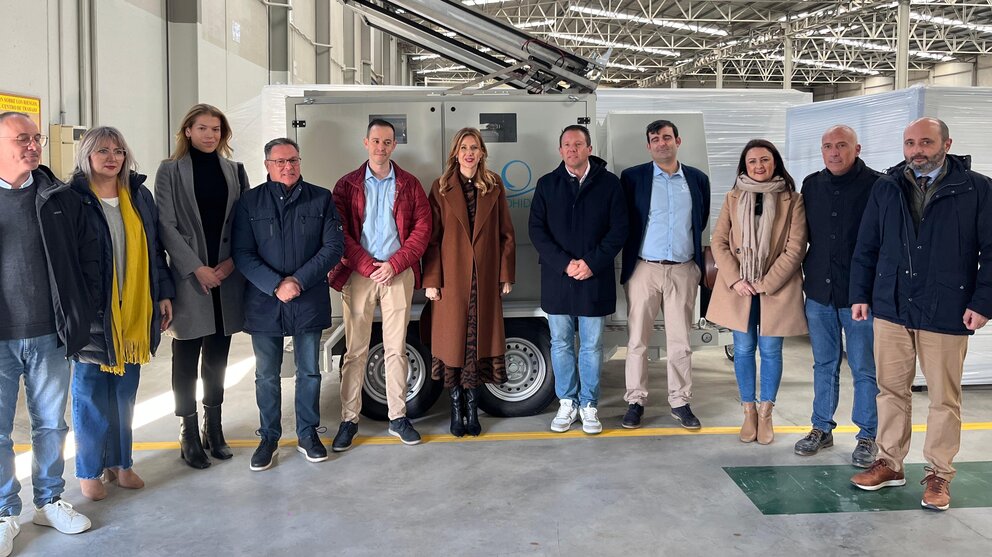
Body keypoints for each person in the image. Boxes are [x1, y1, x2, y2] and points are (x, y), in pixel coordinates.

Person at [849, 117, 992, 511]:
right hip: (892, 305)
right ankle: (890, 463)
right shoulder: (886, 187)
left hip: (946, 308)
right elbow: (867, 245)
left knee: (944, 397)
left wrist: (982, 302)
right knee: (891, 390)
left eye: (926, 142)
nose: (917, 150)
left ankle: (939, 474)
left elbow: (991, 251)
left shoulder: (976, 189)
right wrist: (861, 293)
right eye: (910, 143)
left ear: (947, 143)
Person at [0, 111, 100, 554]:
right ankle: (5, 511)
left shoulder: (58, 197)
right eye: (22, 138)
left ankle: (49, 500)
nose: (33, 145)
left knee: (49, 426)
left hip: (49, 332)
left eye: (36, 137)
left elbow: (89, 257)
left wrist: (84, 308)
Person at [67, 127, 175, 500]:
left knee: (125, 393)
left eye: (118, 151)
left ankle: (121, 463)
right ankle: (89, 470)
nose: (111, 157)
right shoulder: (73, 198)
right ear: (87, 156)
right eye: (102, 151)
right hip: (94, 314)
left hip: (135, 311)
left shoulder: (138, 195)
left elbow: (155, 250)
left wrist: (162, 294)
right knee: (91, 393)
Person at [232, 138, 343, 472]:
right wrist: (275, 284)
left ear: (300, 161)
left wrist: (298, 281)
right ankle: (268, 438)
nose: (288, 166)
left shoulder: (321, 198)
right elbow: (242, 253)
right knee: (267, 375)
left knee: (309, 372)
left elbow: (333, 246)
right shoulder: (249, 203)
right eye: (279, 161)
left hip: (307, 298)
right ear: (267, 165)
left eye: (293, 160)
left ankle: (308, 435)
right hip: (265, 301)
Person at [156, 104, 249, 469]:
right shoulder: (170, 171)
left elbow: (245, 221)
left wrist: (229, 264)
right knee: (186, 356)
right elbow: (165, 225)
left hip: (226, 278)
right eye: (203, 128)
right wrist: (197, 268)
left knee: (217, 358)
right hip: (191, 279)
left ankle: (215, 427)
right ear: (188, 131)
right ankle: (188, 431)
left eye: (216, 129)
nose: (210, 135)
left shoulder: (234, 170)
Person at [328, 119, 431, 449]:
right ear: (365, 143)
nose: (381, 147)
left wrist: (395, 264)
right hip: (360, 275)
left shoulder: (410, 185)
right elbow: (338, 232)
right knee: (355, 351)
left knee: (396, 349)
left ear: (394, 145)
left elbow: (422, 230)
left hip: (397, 274)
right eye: (376, 141)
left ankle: (398, 417)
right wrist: (366, 265)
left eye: (387, 141)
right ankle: (349, 420)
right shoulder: (347, 186)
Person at [706, 139, 807, 445]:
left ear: (775, 162)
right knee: (745, 350)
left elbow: (795, 247)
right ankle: (748, 411)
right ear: (744, 166)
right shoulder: (733, 197)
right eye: (752, 162)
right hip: (739, 288)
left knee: (771, 351)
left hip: (776, 288)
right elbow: (719, 241)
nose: (759, 166)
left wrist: (765, 283)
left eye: (765, 160)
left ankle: (766, 414)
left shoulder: (793, 199)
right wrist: (737, 280)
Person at [529, 124, 628, 435]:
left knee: (591, 345)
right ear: (560, 151)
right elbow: (537, 231)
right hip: (558, 279)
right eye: (566, 145)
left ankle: (588, 405)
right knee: (560, 343)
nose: (572, 149)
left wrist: (591, 263)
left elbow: (619, 230)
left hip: (594, 278)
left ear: (588, 148)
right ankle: (567, 402)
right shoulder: (547, 185)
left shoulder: (610, 185)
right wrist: (564, 264)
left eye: (578, 144)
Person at [794, 125, 881, 467]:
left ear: (856, 148)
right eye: (827, 146)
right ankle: (821, 428)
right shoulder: (812, 185)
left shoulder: (877, 186)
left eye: (841, 145)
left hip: (860, 297)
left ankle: (867, 436)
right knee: (824, 364)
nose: (833, 152)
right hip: (819, 292)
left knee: (863, 367)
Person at [423, 128, 516, 437]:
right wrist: (432, 280)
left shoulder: (494, 185)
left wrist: (505, 274)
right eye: (464, 147)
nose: (469, 152)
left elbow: (506, 234)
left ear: (482, 152)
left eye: (474, 147)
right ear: (455, 153)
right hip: (451, 281)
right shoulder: (440, 187)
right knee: (455, 346)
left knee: (476, 344)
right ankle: (455, 409)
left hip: (485, 279)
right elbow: (432, 239)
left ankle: (472, 410)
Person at [619, 119, 711, 430]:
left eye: (667, 137)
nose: (662, 143)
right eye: (656, 139)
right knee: (637, 341)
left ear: (678, 141)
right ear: (649, 145)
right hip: (644, 269)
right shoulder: (633, 178)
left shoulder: (697, 180)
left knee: (680, 342)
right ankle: (635, 401)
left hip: (683, 270)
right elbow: (626, 221)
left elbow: (701, 219)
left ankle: (680, 402)